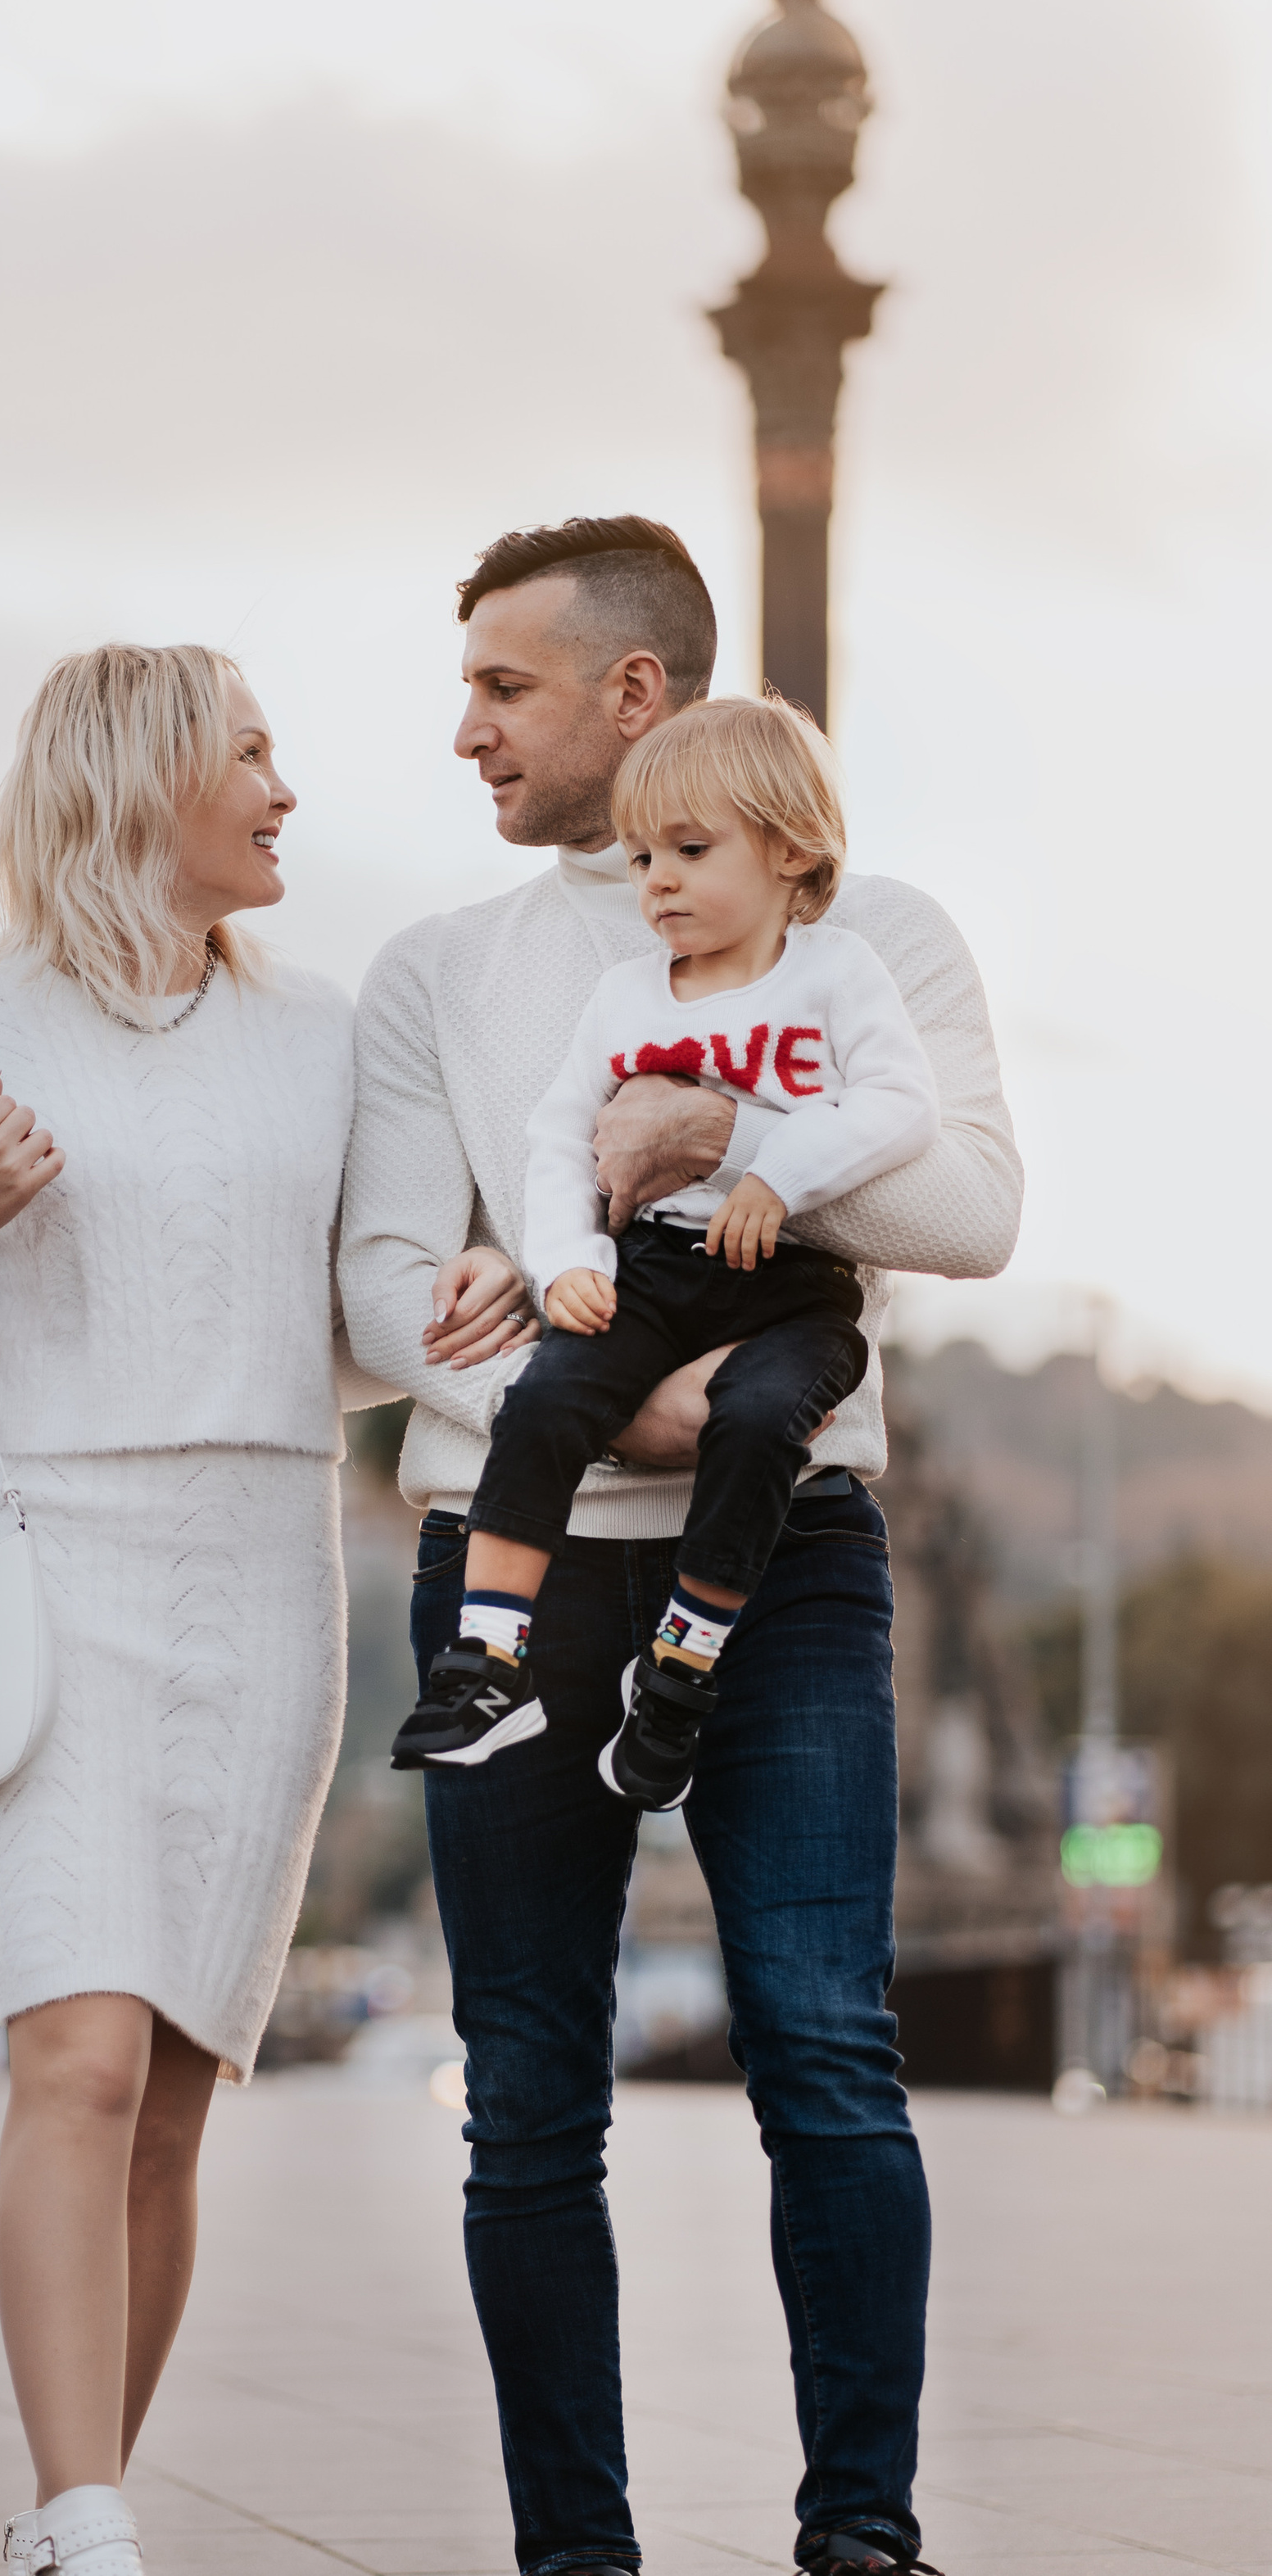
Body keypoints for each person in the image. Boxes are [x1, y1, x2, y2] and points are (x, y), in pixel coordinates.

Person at [340, 516, 1020, 2576]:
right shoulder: (441, 971)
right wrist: (603, 1367)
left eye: (505, 690)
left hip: (789, 1544)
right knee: (525, 2089)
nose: (468, 730)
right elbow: (377, 1285)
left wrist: (719, 1128)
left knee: (824, 2042)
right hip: (513, 1561)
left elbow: (980, 1208)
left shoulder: (873, 929)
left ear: (636, 698)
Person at [0, 643, 434, 2576]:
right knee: (72, 2058)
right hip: (42, 1548)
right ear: (140, 780)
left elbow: (346, 1329)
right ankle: (89, 2558)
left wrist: (446, 1306)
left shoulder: (327, 1039)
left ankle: (62, 2540)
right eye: (251, 753)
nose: (287, 788)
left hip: (261, 1559)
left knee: (174, 2098)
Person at [391, 694, 939, 1808]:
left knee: (759, 1422)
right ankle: (489, 1657)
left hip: (794, 1290)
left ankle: (683, 1667)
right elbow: (560, 1136)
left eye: (692, 851)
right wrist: (567, 1262)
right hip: (652, 1266)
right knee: (548, 1396)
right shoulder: (626, 995)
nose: (660, 882)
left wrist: (774, 1168)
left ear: (792, 851)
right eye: (643, 858)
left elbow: (901, 1107)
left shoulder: (837, 975)